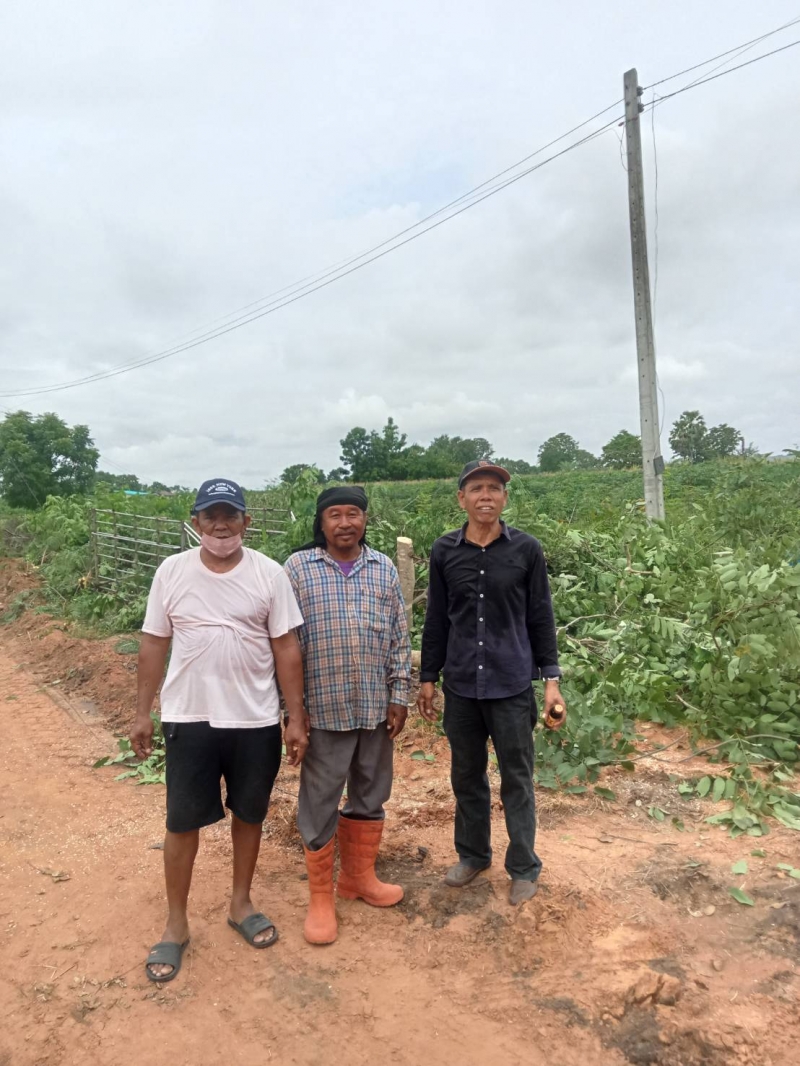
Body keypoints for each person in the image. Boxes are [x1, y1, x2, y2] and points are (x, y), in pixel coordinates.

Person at [131, 478, 307, 983]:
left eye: (231, 515)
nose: (221, 525)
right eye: (211, 516)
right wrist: (142, 712)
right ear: (196, 521)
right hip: (189, 716)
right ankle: (176, 923)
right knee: (181, 821)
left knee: (249, 814)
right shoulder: (172, 572)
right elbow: (154, 643)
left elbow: (286, 647)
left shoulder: (269, 574)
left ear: (247, 522)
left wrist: (295, 717)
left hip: (254, 718)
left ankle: (240, 903)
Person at [417, 460, 566, 906]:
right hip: (462, 685)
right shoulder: (444, 551)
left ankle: (523, 867)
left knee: (517, 778)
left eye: (495, 488)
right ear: (461, 498)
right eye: (477, 488)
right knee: (466, 775)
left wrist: (551, 682)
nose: (486, 496)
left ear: (505, 498)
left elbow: (540, 616)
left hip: (511, 684)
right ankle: (473, 855)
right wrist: (428, 677)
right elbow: (437, 619)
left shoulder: (526, 550)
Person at [284, 486, 412, 945]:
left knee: (371, 792)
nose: (344, 523)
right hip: (323, 708)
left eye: (353, 513)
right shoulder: (298, 568)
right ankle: (321, 897)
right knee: (320, 800)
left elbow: (399, 635)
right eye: (334, 515)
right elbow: (284, 642)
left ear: (364, 519)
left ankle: (358, 878)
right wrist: (293, 712)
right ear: (320, 523)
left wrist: (400, 693)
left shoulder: (383, 568)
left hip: (375, 706)